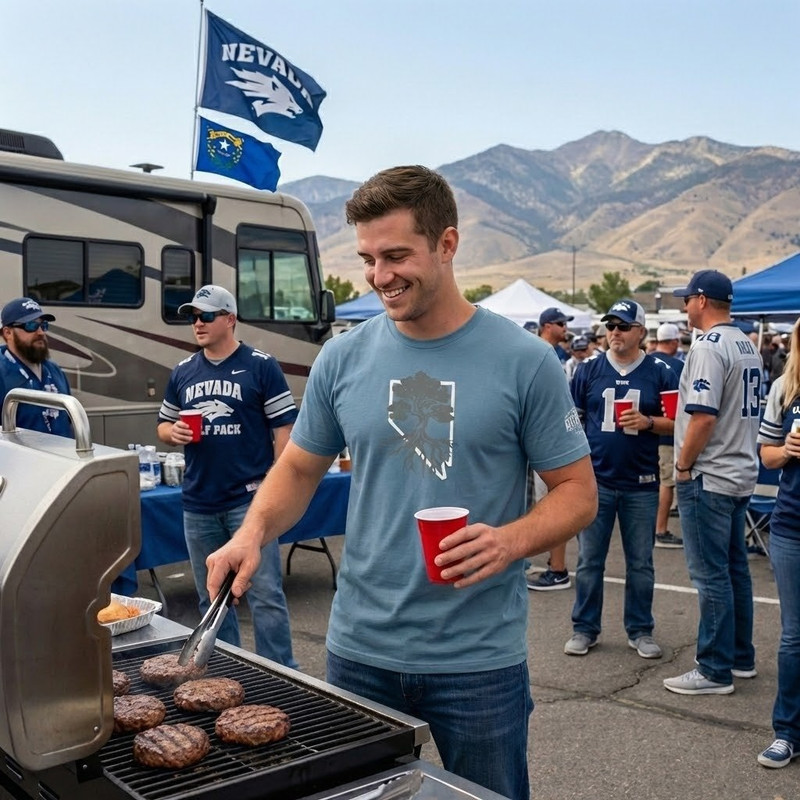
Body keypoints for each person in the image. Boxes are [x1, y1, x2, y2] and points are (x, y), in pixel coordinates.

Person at [205, 165, 597, 800]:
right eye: (367, 258)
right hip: (360, 649)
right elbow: (301, 467)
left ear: (447, 244)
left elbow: (578, 491)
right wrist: (253, 532)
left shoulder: (525, 361)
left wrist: (509, 542)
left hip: (478, 660)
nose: (379, 276)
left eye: (395, 255)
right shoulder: (343, 356)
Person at [156, 285, 298, 668]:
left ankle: (281, 675)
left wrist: (276, 484)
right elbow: (163, 426)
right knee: (211, 594)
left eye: (206, 316)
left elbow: (284, 428)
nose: (197, 324)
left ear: (230, 319)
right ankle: (228, 672)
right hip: (198, 502)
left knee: (265, 593)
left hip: (248, 501)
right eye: (192, 317)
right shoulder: (183, 372)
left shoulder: (261, 366)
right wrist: (174, 433)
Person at [663, 270, 761, 695]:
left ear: (702, 300)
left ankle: (715, 668)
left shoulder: (710, 345)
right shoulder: (746, 343)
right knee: (735, 570)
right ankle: (740, 656)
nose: (685, 307)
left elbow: (703, 415)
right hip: (738, 469)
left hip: (711, 473)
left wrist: (683, 466)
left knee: (712, 575)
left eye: (688, 299)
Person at [564, 300, 678, 659]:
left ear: (641, 332)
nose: (615, 332)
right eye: (610, 325)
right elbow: (572, 422)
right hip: (597, 480)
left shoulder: (660, 371)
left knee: (641, 562)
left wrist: (648, 423)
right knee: (589, 560)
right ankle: (584, 628)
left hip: (641, 482)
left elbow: (678, 423)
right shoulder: (588, 370)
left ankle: (640, 628)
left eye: (623, 326)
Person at [754, 317, 800, 768]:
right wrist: (786, 450)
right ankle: (787, 731)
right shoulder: (785, 388)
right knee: (793, 637)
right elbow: (765, 453)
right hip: (791, 526)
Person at [526, 306, 576, 591]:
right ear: (547, 326)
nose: (565, 328)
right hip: (541, 438)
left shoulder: (553, 354)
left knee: (553, 504)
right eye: (560, 323)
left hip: (549, 440)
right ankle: (552, 565)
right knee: (538, 502)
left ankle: (558, 569)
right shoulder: (540, 353)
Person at [0, 297, 72, 436]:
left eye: (43, 325)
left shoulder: (55, 371)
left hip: (64, 456)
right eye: (31, 325)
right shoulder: (2, 373)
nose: (40, 332)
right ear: (8, 332)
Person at [652, 323, 685, 548]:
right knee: (667, 483)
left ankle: (652, 526)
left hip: (643, 431)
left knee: (650, 483)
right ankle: (660, 529)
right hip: (668, 433)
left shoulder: (644, 361)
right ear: (673, 342)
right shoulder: (679, 366)